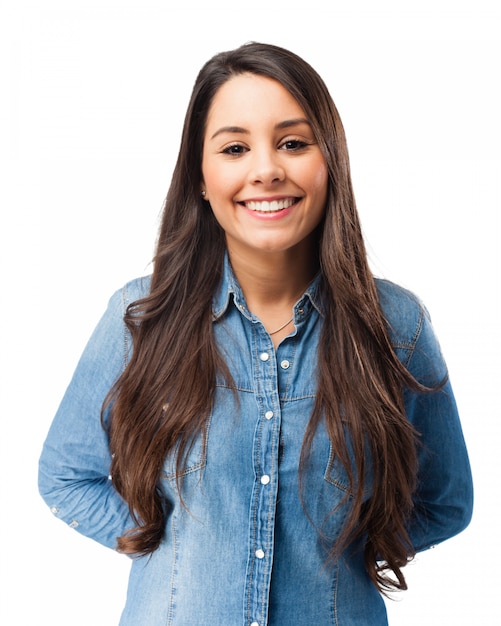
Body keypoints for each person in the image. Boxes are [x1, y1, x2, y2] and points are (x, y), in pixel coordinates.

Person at [38, 42, 473, 625]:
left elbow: (444, 502)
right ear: (201, 175)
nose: (266, 169)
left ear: (330, 162)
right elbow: (65, 475)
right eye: (235, 147)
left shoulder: (396, 326)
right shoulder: (139, 318)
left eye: (293, 143)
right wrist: (163, 544)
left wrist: (342, 554)